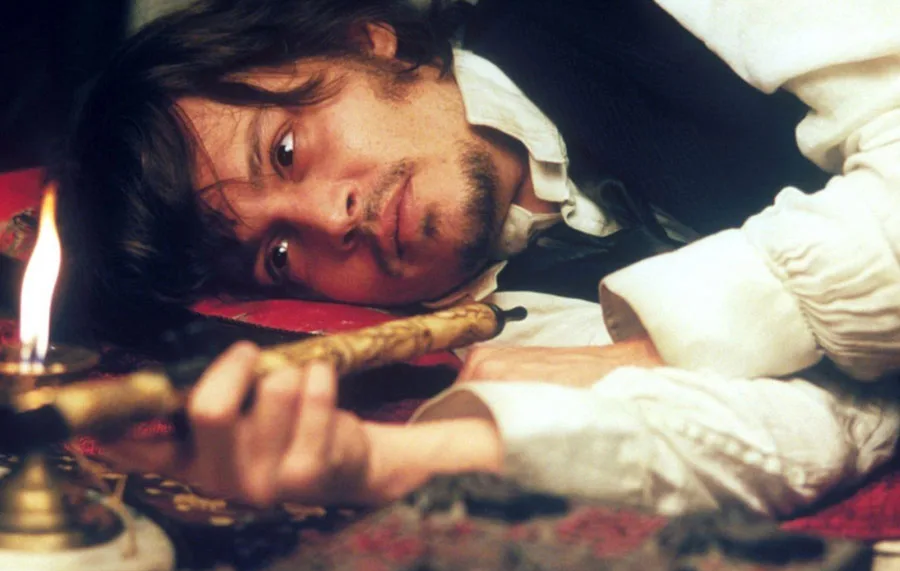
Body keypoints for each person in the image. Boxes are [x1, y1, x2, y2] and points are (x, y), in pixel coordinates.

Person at [59, 0, 900, 514]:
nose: (329, 218)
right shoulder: (490, 324)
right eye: (277, 254)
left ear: (368, 41)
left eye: (285, 151)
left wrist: (653, 348)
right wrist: (380, 461)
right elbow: (825, 430)